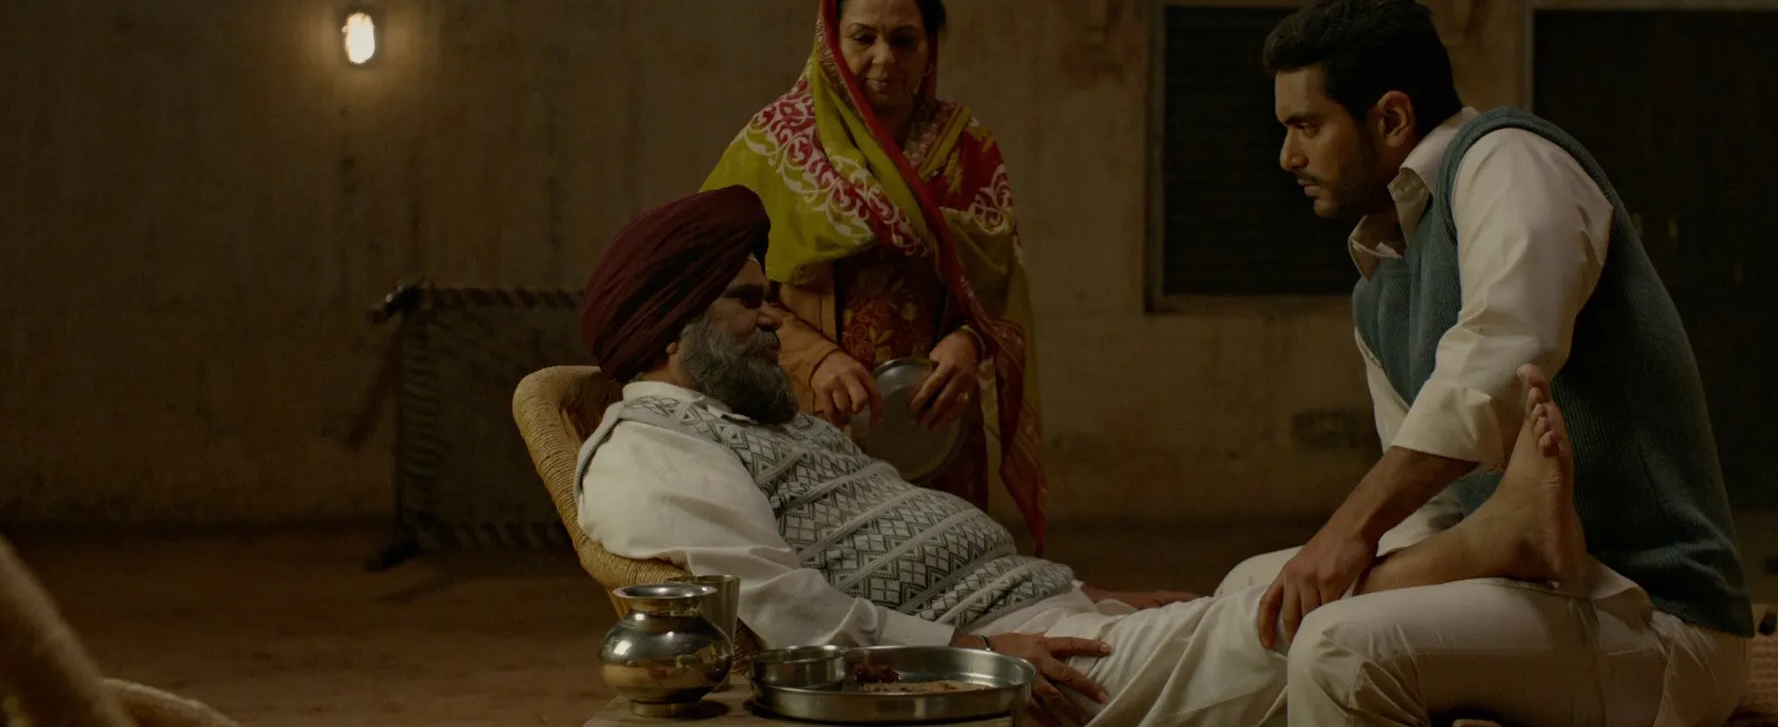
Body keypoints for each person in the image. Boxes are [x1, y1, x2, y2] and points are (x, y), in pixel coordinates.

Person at [574, 187, 1610, 726]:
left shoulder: (758, 423)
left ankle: (1513, 575)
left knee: (1257, 581)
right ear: (673, 327)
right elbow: (779, 609)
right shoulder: (648, 453)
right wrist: (970, 655)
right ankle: (1497, 546)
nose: (775, 320)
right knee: (1288, 626)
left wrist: (1083, 596)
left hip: (1038, 620)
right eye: (748, 302)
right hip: (978, 671)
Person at [1241, 0, 1754, 725]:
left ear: (1391, 118)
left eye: (1307, 126)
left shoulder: (1509, 159)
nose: (1288, 155)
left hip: (1656, 617)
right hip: (1523, 597)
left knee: (1338, 649)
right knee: (1252, 592)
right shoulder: (1378, 289)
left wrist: (1347, 532)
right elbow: (1429, 513)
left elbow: (1500, 358)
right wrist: (1357, 566)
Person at [697, 0, 1050, 551]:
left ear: (928, 48)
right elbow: (715, 286)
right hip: (811, 421)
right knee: (832, 582)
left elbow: (999, 286)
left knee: (947, 574)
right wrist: (814, 360)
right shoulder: (774, 147)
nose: (884, 59)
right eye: (863, 38)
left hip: (934, 428)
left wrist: (969, 342)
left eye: (904, 41)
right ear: (831, 41)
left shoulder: (967, 150)